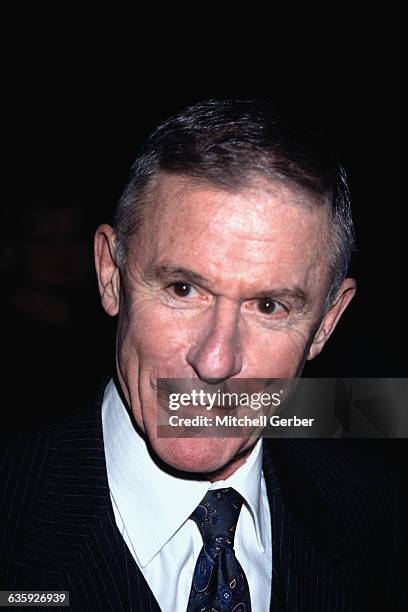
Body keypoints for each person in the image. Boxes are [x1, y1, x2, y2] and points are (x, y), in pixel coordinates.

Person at [0, 99, 404, 611]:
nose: (215, 362)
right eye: (183, 289)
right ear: (110, 274)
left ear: (326, 322)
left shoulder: (379, 524)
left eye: (269, 305)